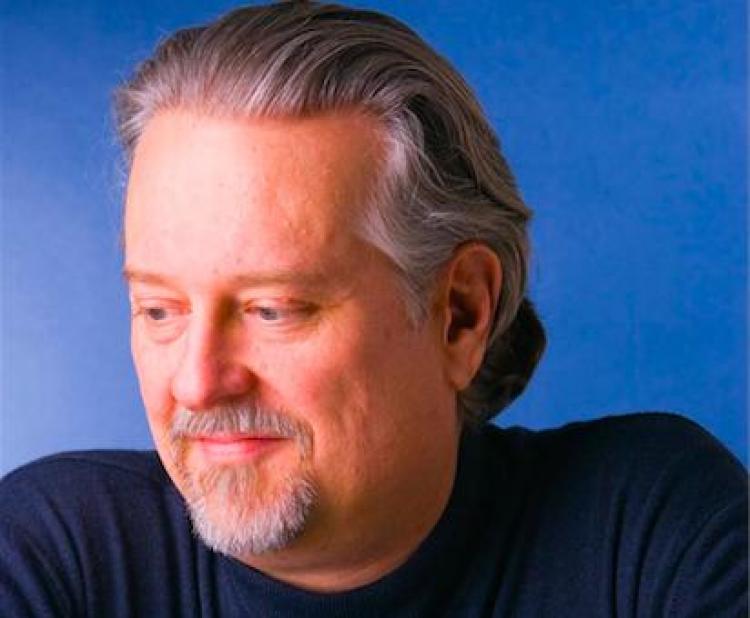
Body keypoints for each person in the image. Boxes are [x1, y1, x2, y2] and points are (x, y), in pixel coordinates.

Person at [1, 2, 746, 616]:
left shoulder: (647, 534)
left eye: (273, 309)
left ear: (460, 314)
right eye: (160, 310)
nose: (197, 383)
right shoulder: (55, 556)